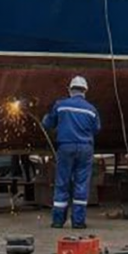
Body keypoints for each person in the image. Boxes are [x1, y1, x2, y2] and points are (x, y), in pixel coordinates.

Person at [42, 76, 101, 229]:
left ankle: (58, 221)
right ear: (85, 91)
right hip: (85, 148)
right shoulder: (91, 109)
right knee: (81, 184)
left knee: (62, 182)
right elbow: (96, 129)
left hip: (66, 147)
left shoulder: (60, 105)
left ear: (69, 90)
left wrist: (45, 118)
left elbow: (49, 123)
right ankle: (78, 222)